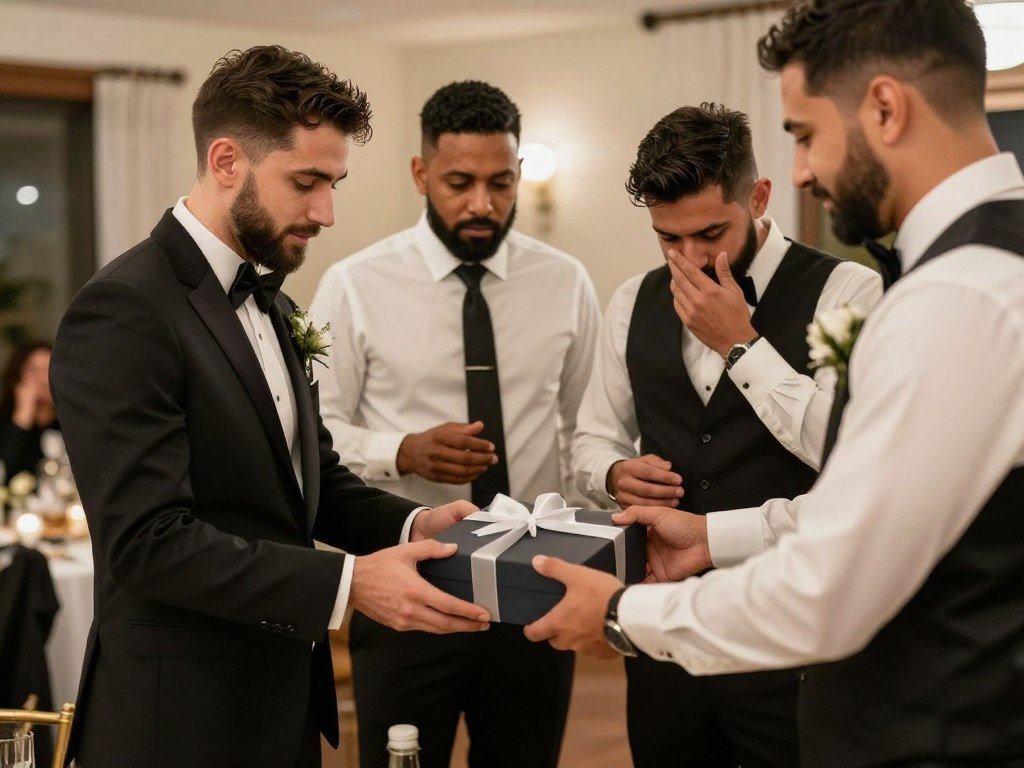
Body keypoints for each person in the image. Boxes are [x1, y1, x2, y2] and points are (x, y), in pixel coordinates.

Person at [526, 2, 1024, 766]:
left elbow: (831, 580)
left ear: (886, 108)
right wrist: (699, 532)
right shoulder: (994, 264)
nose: (800, 171)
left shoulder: (957, 296)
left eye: (804, 134)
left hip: (930, 726)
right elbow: (879, 514)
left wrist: (625, 614)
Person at [49, 46, 491, 768]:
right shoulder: (125, 308)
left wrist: (411, 520)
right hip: (178, 719)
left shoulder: (274, 300)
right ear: (227, 162)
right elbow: (146, 544)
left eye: (334, 183)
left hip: (280, 696)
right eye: (307, 182)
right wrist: (350, 585)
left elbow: (303, 489)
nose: (326, 212)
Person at [570, 103, 880, 768]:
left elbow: (851, 450)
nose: (688, 259)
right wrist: (614, 475)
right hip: (663, 627)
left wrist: (742, 345)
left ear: (758, 196)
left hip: (792, 629)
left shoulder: (848, 292)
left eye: (709, 233)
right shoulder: (631, 301)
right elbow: (589, 443)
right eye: (667, 239)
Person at [309, 80, 600, 768]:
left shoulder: (565, 281)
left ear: (520, 173)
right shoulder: (355, 284)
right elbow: (312, 433)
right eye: (459, 182)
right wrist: (399, 451)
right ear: (420, 174)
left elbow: (588, 427)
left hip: (537, 583)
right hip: (411, 585)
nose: (482, 204)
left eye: (501, 183)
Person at [0, 341, 59, 484]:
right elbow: (3, 473)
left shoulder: (70, 424)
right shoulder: (5, 424)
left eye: (48, 369)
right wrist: (23, 415)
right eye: (34, 370)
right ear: (18, 374)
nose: (42, 379)